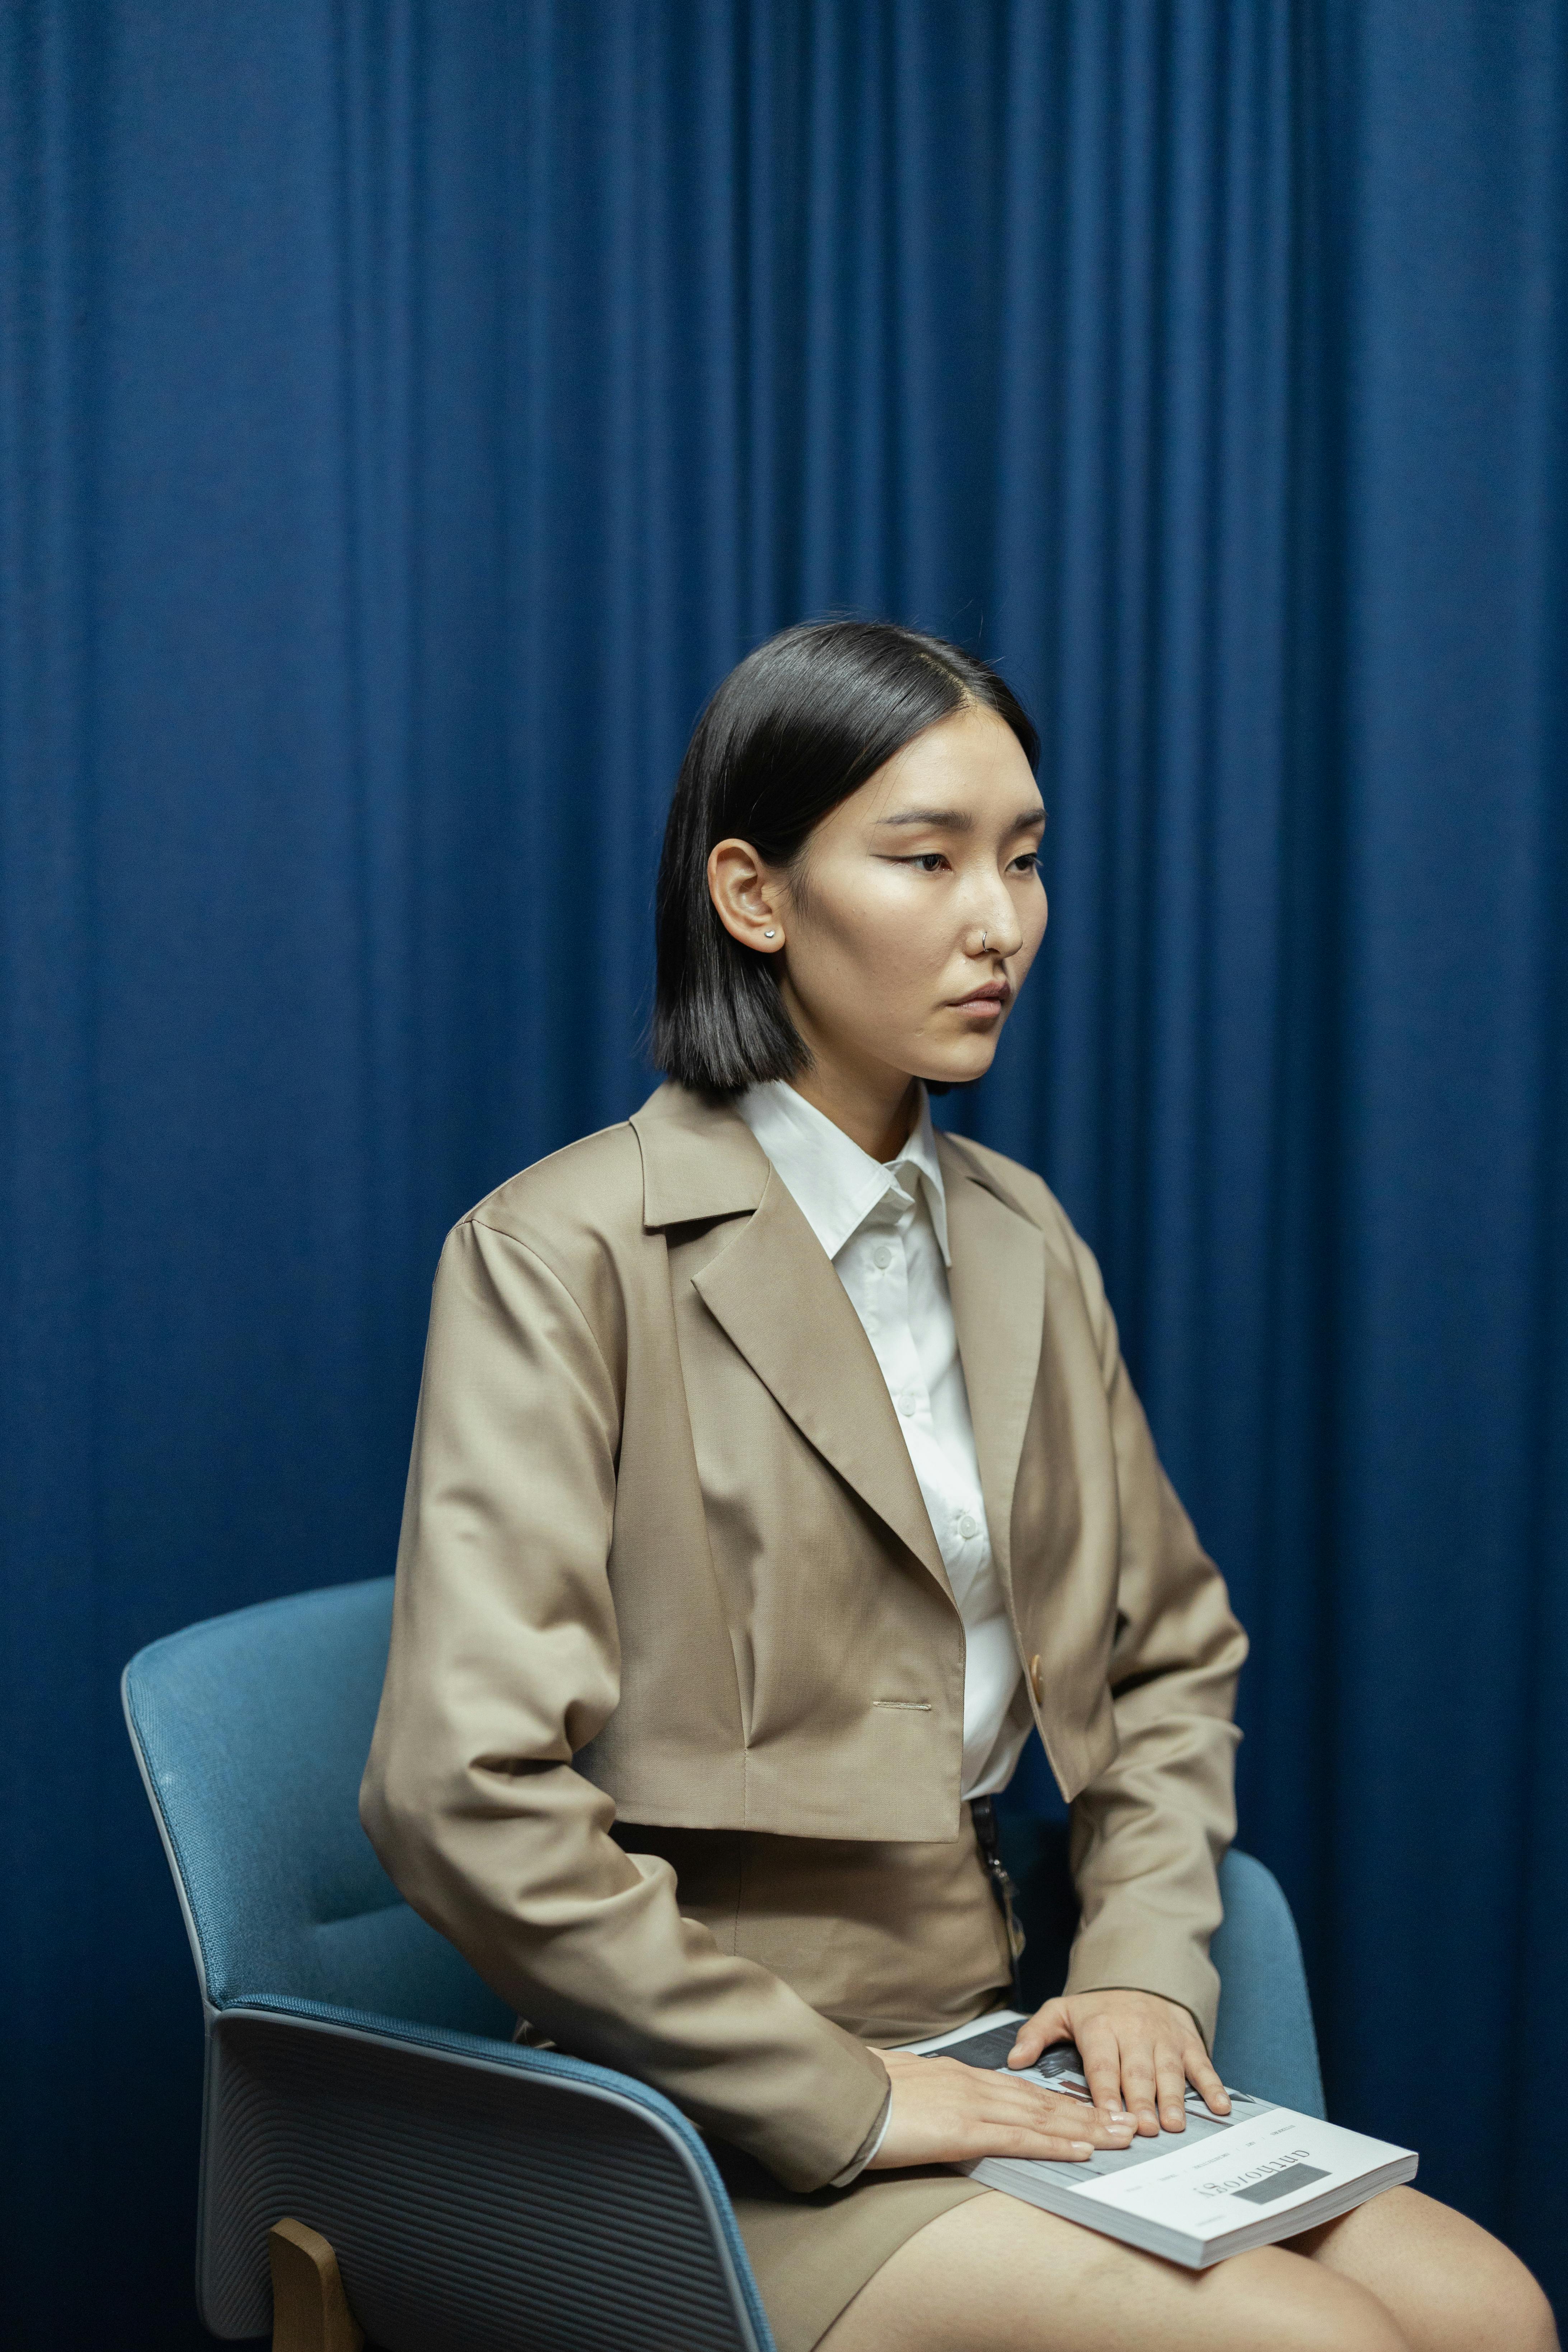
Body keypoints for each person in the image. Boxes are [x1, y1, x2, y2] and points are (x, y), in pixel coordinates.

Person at [362, 623, 1554, 2352]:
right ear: (754, 895)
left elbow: (1165, 1656)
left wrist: (1139, 1955)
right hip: (704, 2091)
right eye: (925, 859)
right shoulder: (557, 1252)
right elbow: (454, 1791)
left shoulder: (1019, 1237)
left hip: (1006, 2031)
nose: (999, 920)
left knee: (1491, 2311)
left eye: (1023, 856)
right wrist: (841, 2090)